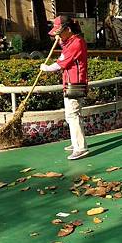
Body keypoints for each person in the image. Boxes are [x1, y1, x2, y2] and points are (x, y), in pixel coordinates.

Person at [40, 15, 89, 160]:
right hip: (68, 83)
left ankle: (81, 147)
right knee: (70, 115)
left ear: (68, 29)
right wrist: (61, 40)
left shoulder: (76, 43)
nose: (58, 36)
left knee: (73, 115)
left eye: (60, 32)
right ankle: (76, 143)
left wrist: (47, 68)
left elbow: (62, 62)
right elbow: (64, 53)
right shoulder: (70, 41)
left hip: (75, 84)